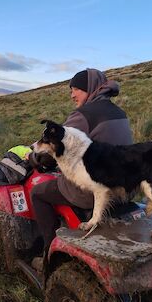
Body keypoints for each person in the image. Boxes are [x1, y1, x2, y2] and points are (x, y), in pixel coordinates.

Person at [30, 68, 133, 253]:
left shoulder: (83, 115)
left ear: (89, 88)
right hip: (124, 188)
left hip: (93, 188)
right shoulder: (120, 112)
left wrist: (35, 158)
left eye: (76, 89)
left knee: (38, 193)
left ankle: (49, 248)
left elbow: (55, 150)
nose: (72, 95)